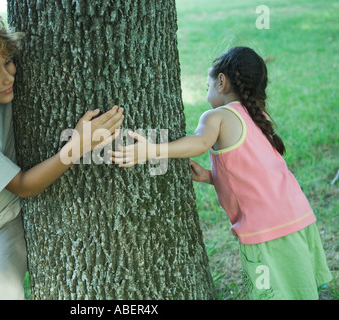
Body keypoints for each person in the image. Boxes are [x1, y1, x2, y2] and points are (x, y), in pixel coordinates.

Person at [0, 5, 124, 300]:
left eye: (8, 62)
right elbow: (23, 185)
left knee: (3, 294)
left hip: (9, 220)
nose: (8, 77)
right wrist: (78, 146)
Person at [110, 46, 332, 299]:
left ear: (221, 82)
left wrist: (152, 151)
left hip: (266, 228)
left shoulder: (217, 117)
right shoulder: (257, 116)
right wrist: (210, 177)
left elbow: (199, 143)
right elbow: (253, 172)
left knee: (273, 292)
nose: (207, 91)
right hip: (297, 215)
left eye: (207, 85)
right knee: (298, 288)